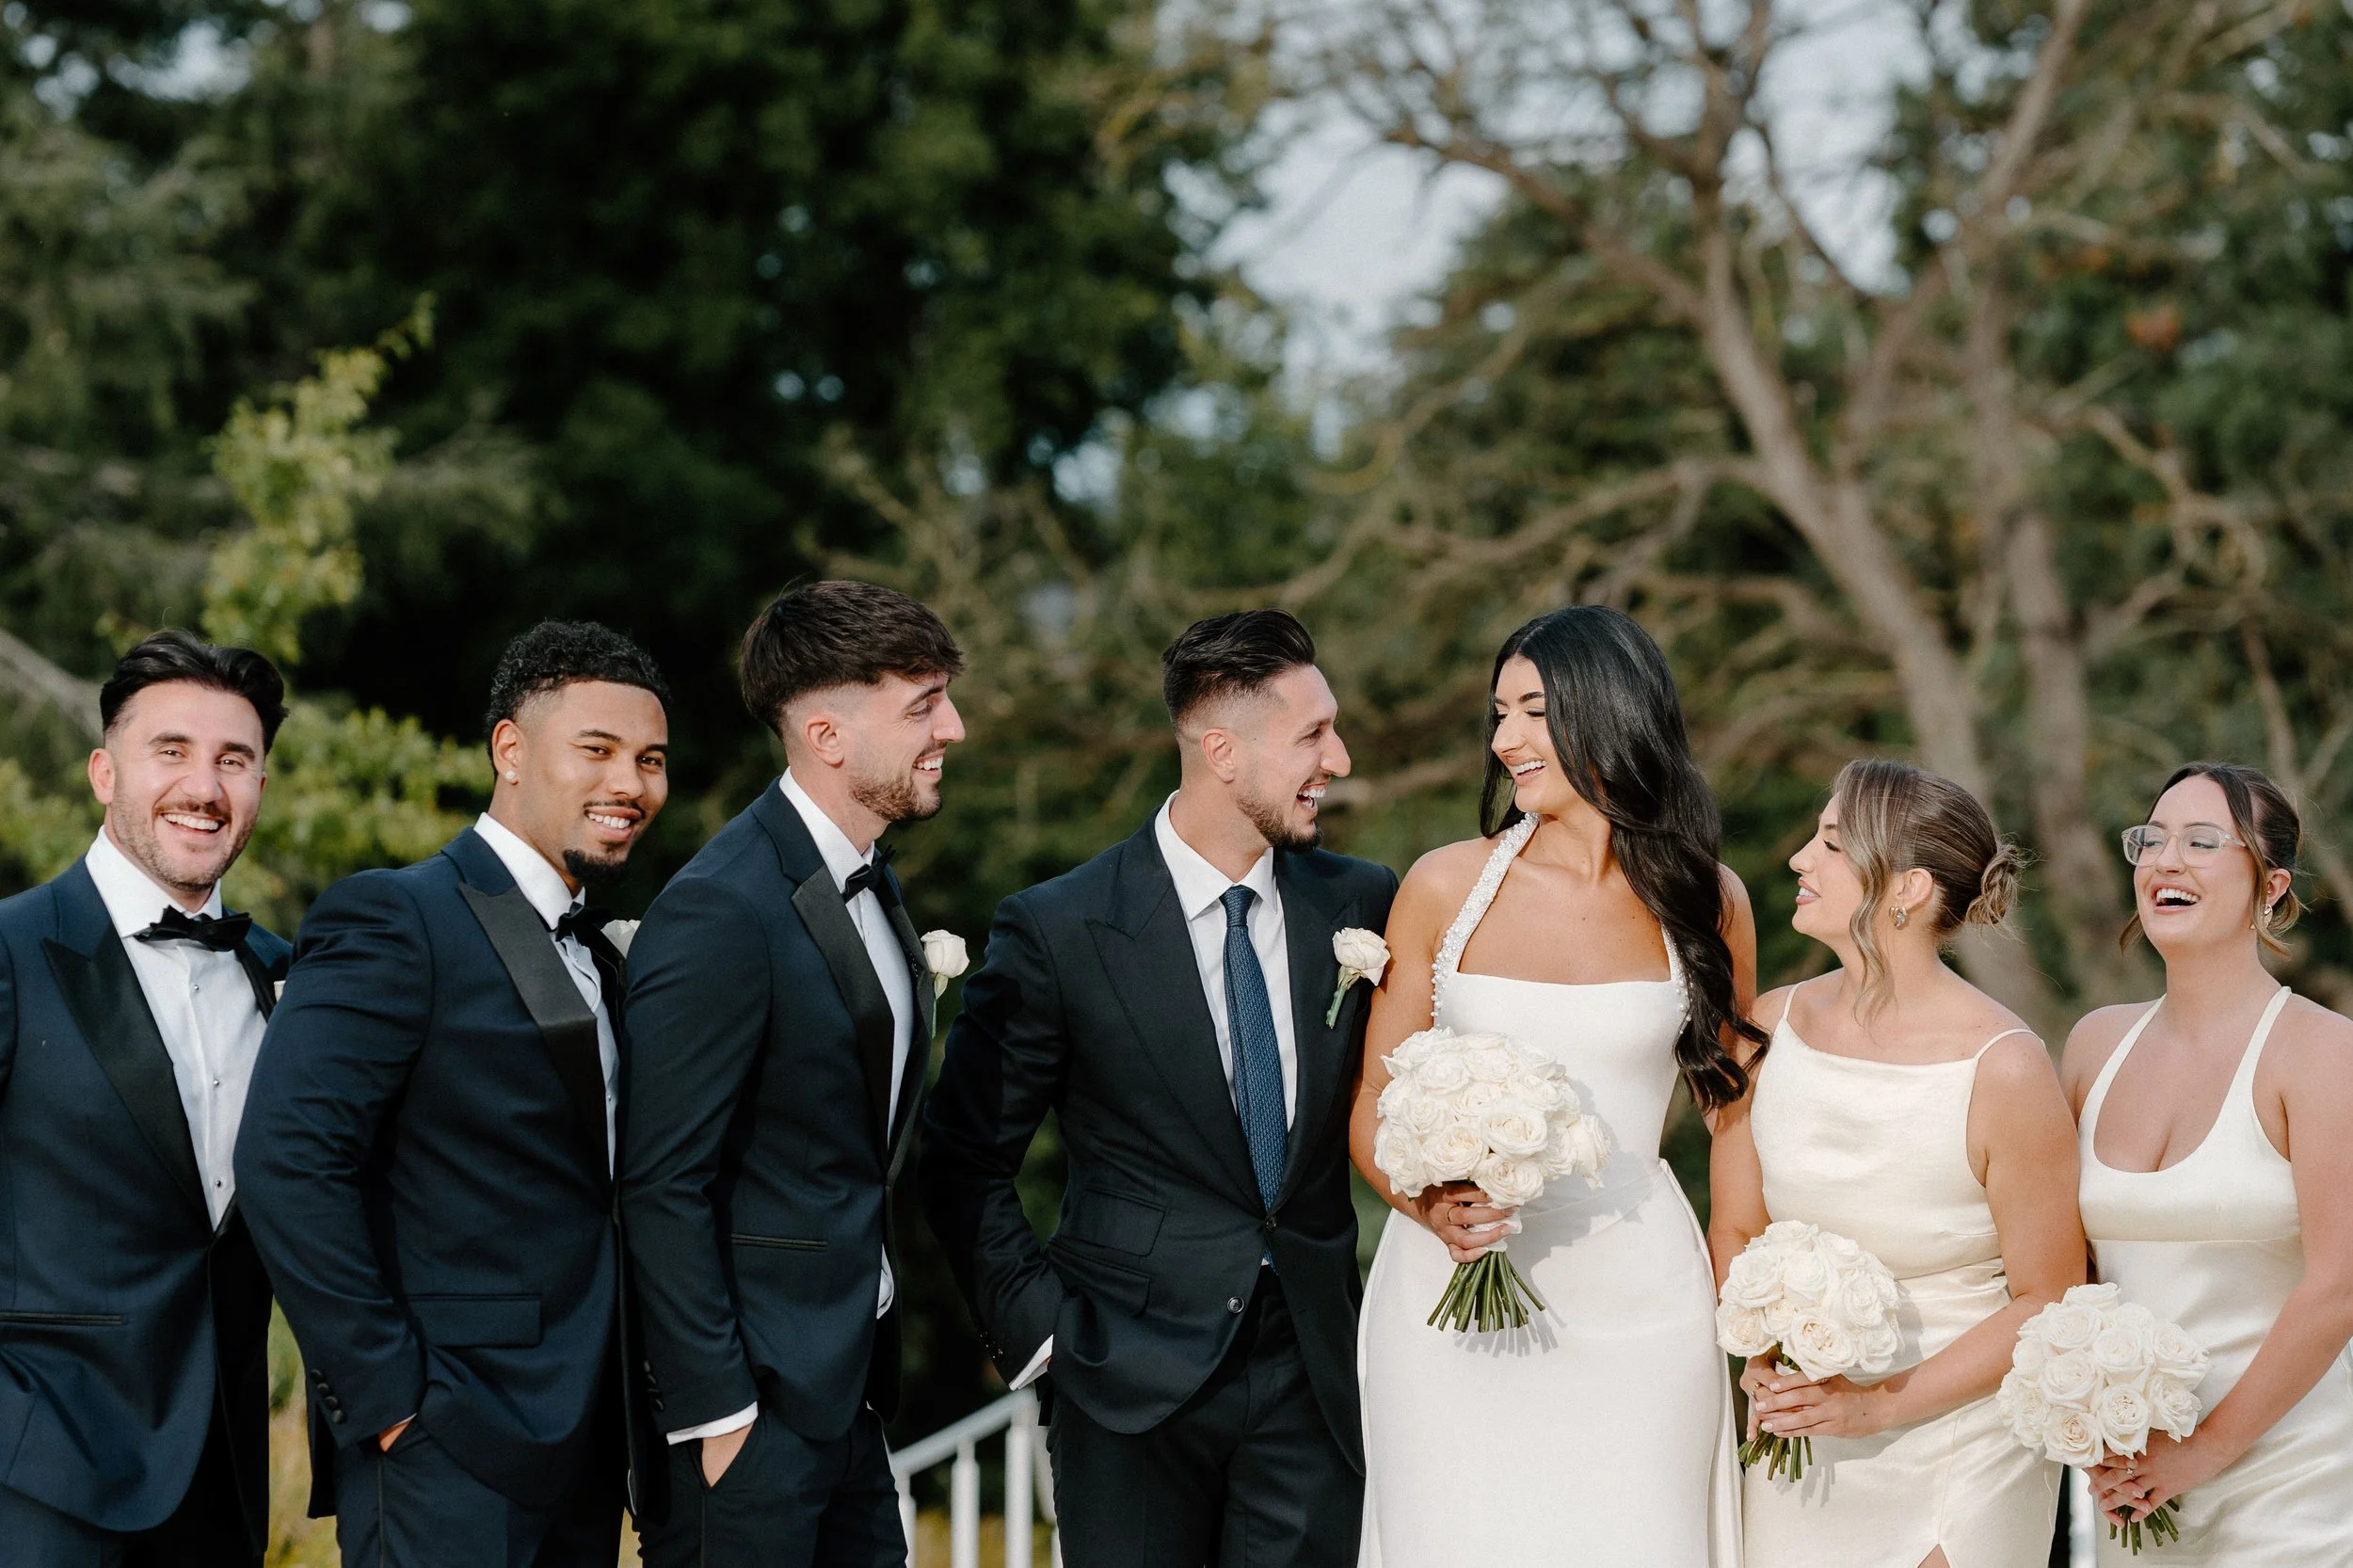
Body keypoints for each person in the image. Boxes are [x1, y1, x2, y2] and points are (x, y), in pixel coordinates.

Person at [922, 609, 1397, 1568]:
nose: (1338, 759)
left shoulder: (1361, 902)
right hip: (1122, 1382)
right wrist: (1045, 1334)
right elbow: (960, 1155)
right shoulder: (1059, 926)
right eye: (1312, 735)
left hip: (1312, 1377)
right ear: (1222, 751)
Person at [236, 621, 673, 1568]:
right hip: (447, 1441)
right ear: (509, 751)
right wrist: (389, 1400)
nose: (630, 784)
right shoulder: (396, 915)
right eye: (595, 750)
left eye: (649, 759)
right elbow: (285, 1160)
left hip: (586, 1443)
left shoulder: (597, 952)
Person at [1351, 604, 1749, 1566]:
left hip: (1642, 1304)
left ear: (1606, 711)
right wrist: (1430, 1201)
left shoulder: (1706, 897)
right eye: (1498, 714)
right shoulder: (1443, 885)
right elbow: (1370, 1099)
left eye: (1530, 711)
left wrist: (1743, 1297)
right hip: (1447, 1309)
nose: (1503, 739)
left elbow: (1731, 1117)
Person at [620, 581, 965, 1568]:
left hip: (845, 1397)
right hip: (749, 1419)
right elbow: (659, 1179)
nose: (953, 726)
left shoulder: (870, 883)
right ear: (826, 732)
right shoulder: (722, 906)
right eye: (922, 704)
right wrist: (718, 1411)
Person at [1711, 760, 2077, 1567]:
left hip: (1960, 1434)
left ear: (1907, 888)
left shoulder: (2004, 1066)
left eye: (1832, 844)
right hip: (1802, 1425)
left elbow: (2048, 1296)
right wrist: (1765, 1358)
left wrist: (1878, 1408)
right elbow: (1737, 1226)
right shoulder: (1769, 1030)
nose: (1800, 859)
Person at [0, 631, 290, 1567]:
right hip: (38, 1484)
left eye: (233, 760)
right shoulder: (9, 950)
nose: (204, 787)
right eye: (171, 750)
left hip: (229, 1488)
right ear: (102, 772)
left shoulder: (291, 979)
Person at [2063, 761, 2353, 1563]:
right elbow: (2066, 1270)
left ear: (2272, 886)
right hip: (2128, 1489)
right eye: (2150, 841)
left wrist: (2203, 1453)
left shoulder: (2325, 1053)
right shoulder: (2093, 1046)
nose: (2165, 861)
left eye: (2201, 841)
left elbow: (2338, 1288)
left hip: (2290, 1494)